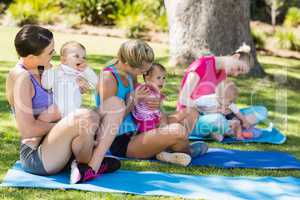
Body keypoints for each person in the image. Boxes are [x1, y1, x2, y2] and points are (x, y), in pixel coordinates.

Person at [6, 25, 122, 184]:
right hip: (38, 154)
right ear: (32, 57)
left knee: (115, 104)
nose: (54, 54)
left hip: (63, 143)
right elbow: (28, 130)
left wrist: (72, 88)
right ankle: (89, 163)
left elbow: (61, 100)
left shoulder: (43, 67)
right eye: (49, 52)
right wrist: (69, 123)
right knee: (84, 117)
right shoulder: (21, 77)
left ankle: (91, 166)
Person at [96, 39, 207, 167]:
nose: (144, 74)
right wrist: (133, 101)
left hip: (143, 127)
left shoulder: (130, 72)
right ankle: (184, 150)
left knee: (190, 112)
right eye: (142, 71)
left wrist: (152, 102)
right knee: (178, 131)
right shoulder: (109, 79)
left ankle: (168, 150)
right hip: (124, 140)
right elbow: (107, 120)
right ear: (127, 63)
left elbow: (140, 102)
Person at [178, 43, 268, 137]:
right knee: (218, 119)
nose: (236, 74)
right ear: (235, 57)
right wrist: (207, 110)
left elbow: (221, 100)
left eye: (240, 73)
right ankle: (232, 129)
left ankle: (229, 128)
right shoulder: (201, 66)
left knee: (261, 111)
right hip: (194, 118)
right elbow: (183, 99)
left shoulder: (223, 74)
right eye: (238, 69)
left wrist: (227, 109)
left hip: (219, 116)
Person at [41, 41, 98, 117]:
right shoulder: (56, 72)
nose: (81, 60)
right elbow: (46, 85)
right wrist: (48, 72)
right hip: (58, 113)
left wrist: (87, 70)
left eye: (83, 57)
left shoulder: (80, 74)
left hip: (75, 112)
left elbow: (96, 84)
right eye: (76, 56)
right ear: (64, 60)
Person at [194, 80, 261, 141]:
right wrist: (206, 111)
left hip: (223, 123)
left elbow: (238, 113)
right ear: (221, 97)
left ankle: (238, 137)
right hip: (207, 121)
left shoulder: (230, 103)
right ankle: (217, 134)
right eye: (231, 101)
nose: (232, 102)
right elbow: (193, 105)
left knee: (236, 122)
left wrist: (244, 121)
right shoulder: (207, 100)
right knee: (217, 120)